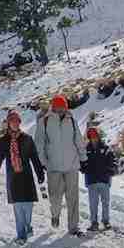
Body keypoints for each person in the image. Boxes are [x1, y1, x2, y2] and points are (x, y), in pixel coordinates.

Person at [34, 94, 88, 236]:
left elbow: (78, 140)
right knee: (55, 198)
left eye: (63, 108)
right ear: (53, 107)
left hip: (71, 166)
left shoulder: (71, 120)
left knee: (73, 198)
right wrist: (43, 163)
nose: (61, 110)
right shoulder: (44, 122)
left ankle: (73, 227)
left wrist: (83, 159)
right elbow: (39, 145)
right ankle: (55, 215)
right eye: (58, 108)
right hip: (54, 167)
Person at [0, 110, 45, 245]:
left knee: (28, 206)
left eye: (16, 120)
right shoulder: (4, 141)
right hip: (13, 178)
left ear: (19, 122)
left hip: (26, 176)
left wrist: (40, 173)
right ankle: (21, 235)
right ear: (8, 123)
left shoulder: (27, 138)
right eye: (12, 121)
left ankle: (28, 226)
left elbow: (34, 158)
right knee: (18, 208)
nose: (14, 123)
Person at [81, 126, 118, 231]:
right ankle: (94, 222)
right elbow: (81, 162)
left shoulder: (106, 148)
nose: (93, 138)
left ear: (99, 136)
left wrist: (112, 169)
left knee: (105, 202)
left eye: (95, 136)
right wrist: (83, 168)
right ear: (88, 137)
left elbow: (113, 159)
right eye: (91, 136)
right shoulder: (85, 150)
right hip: (91, 180)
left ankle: (106, 221)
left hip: (104, 179)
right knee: (93, 203)